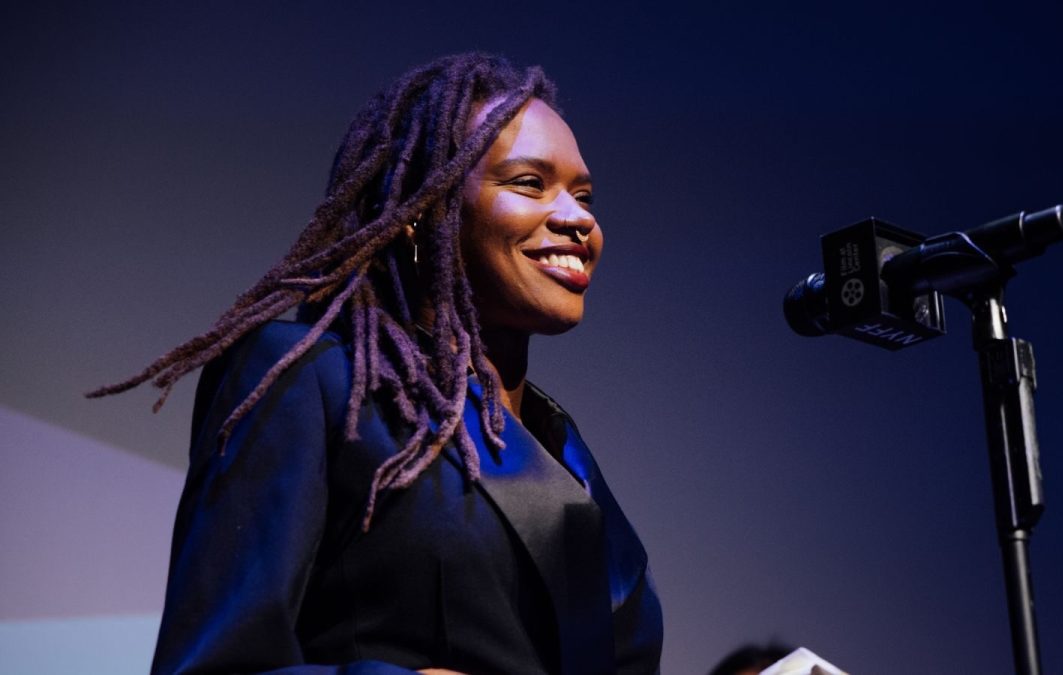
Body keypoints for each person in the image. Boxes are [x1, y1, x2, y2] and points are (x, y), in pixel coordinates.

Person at [89, 53, 662, 675]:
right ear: (422, 209)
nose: (579, 219)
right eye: (529, 183)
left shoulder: (564, 452)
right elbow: (211, 665)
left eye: (584, 195)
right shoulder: (311, 378)